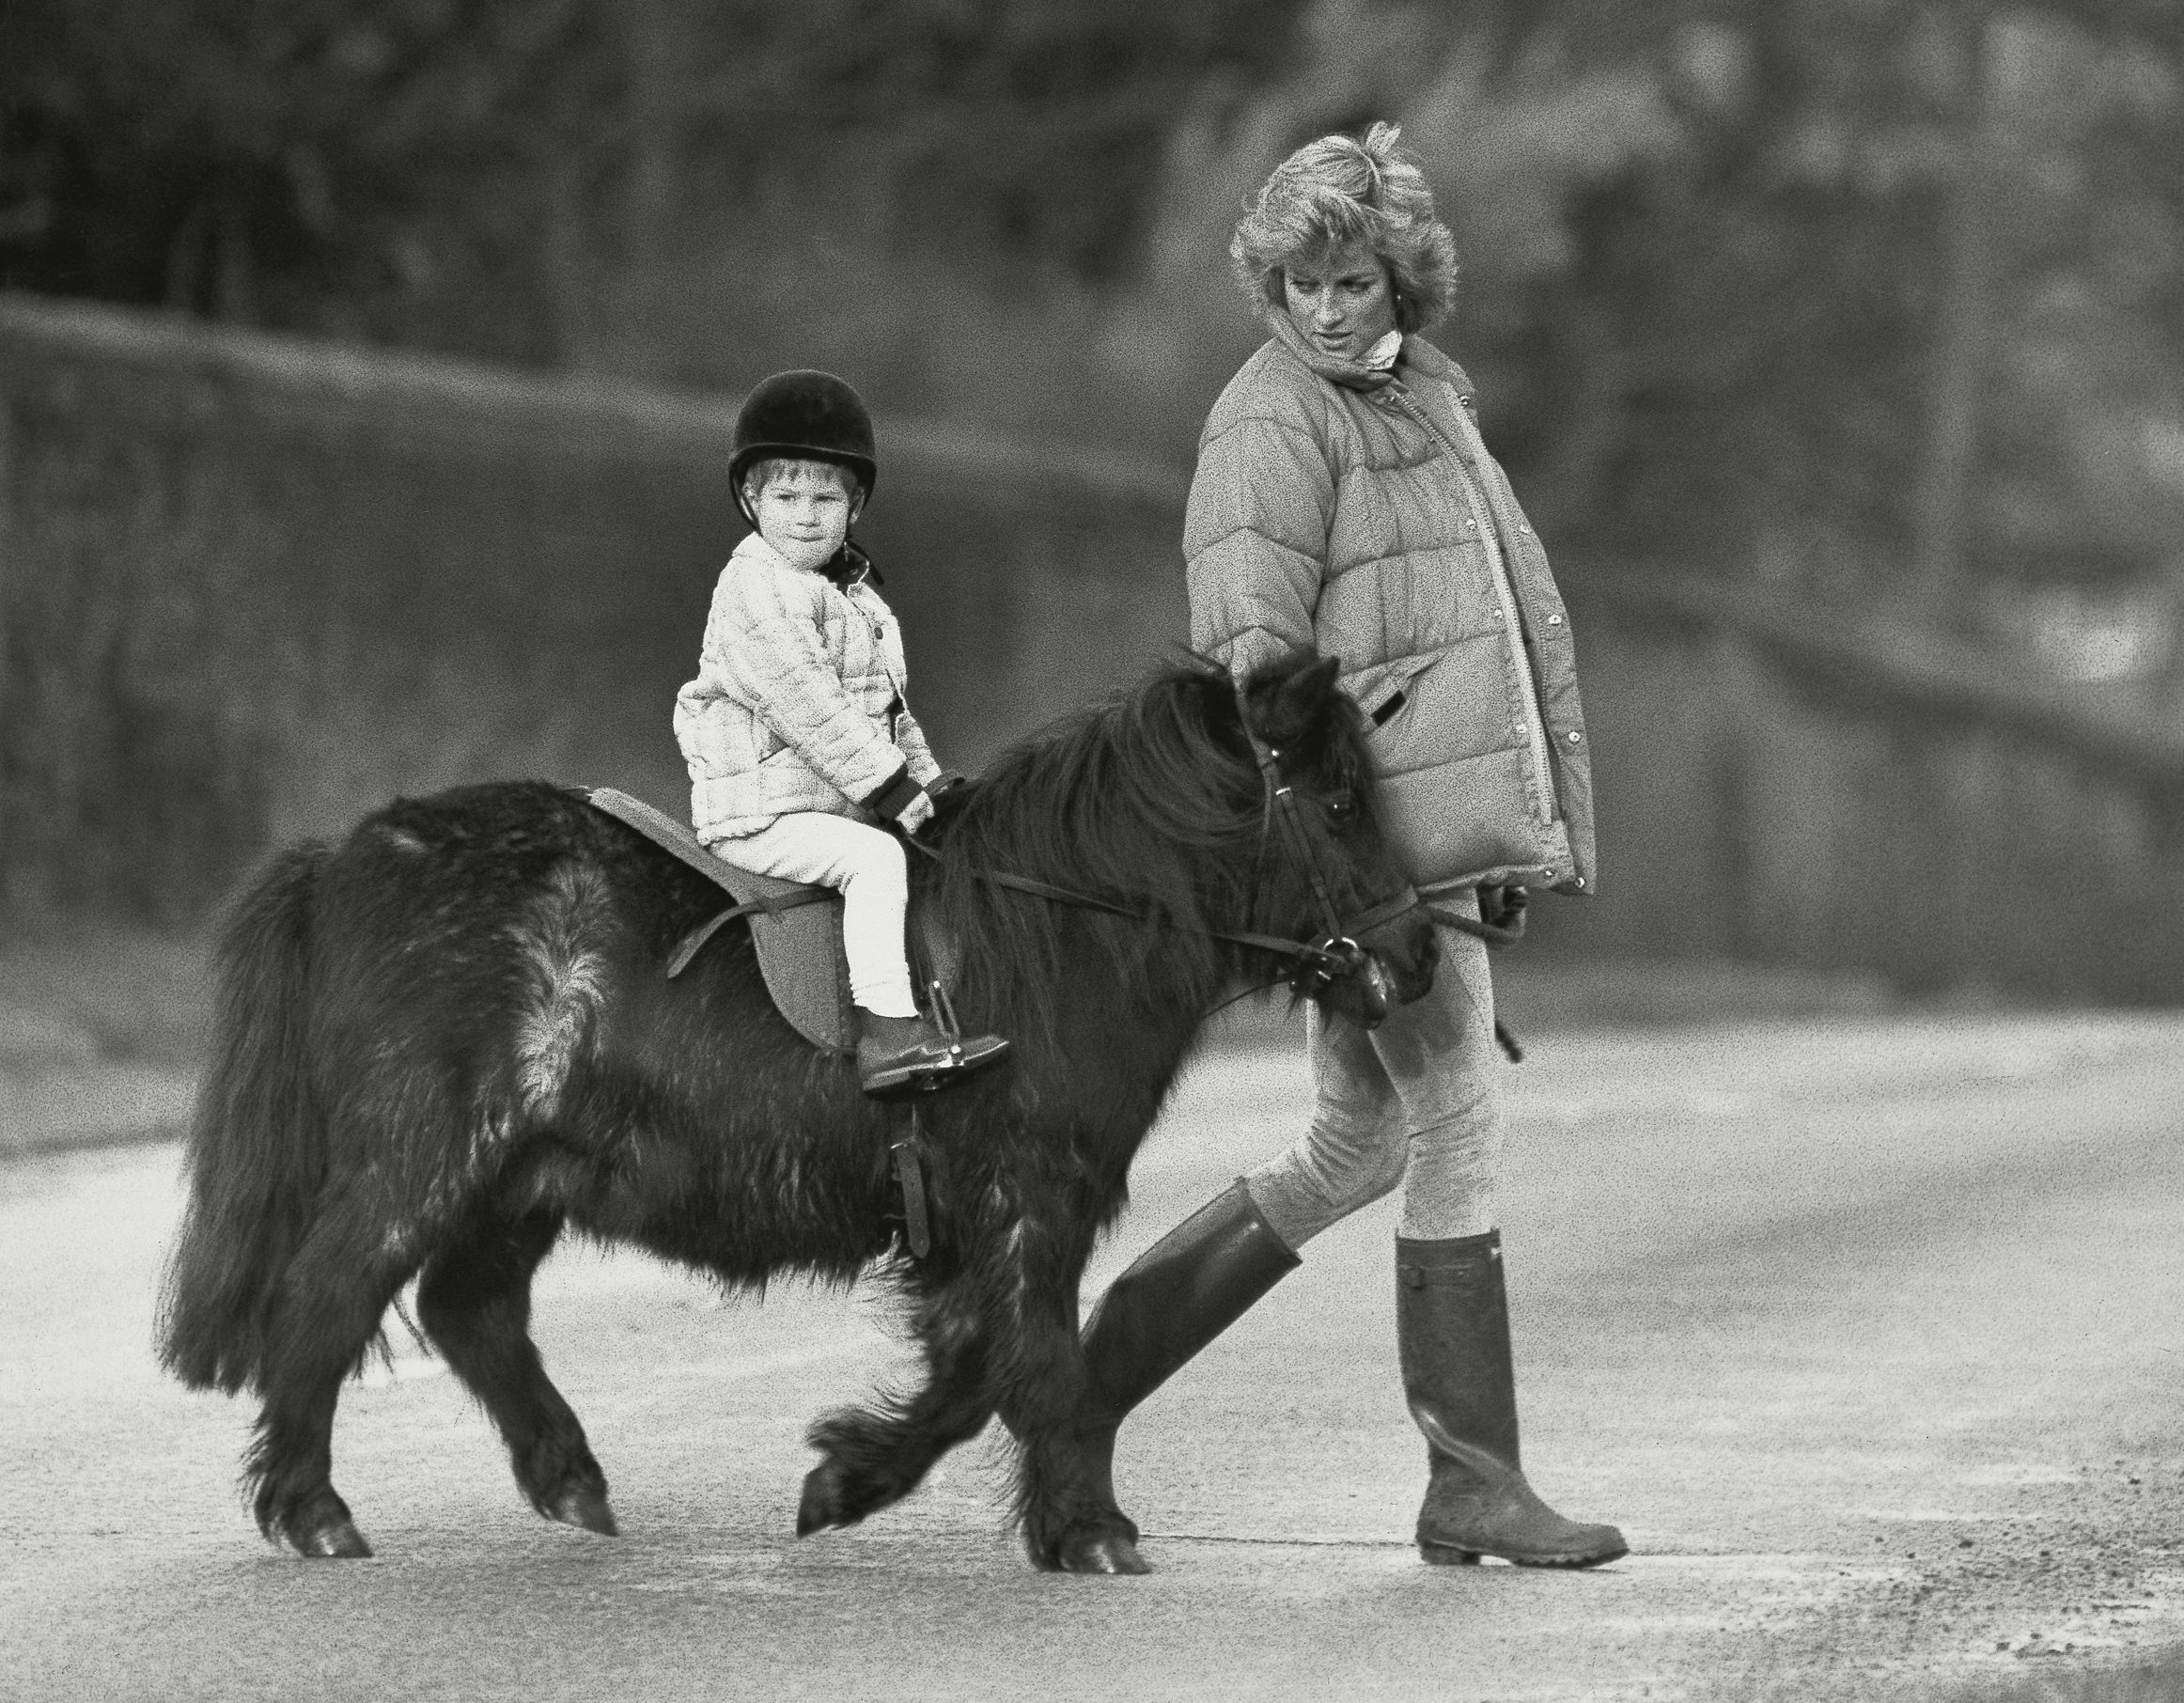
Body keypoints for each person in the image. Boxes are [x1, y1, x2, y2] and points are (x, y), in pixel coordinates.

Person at [1073, 124, 1624, 1567]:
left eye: (1354, 280)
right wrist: (1346, 865)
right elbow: (1256, 661)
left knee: (1357, 1142)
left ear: (1405, 285)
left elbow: (1488, 635)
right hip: (1364, 863)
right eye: (1301, 281)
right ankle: (1473, 1485)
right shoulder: (1270, 422)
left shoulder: (1434, 399)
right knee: (1451, 1131)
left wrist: (1504, 826)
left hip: (1430, 843)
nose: (1325, 309)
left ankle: (1074, 1390)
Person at [674, 369, 1008, 1096]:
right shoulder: (753, 588)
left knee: (923, 857)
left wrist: (929, 784)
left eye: (825, 498)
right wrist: (887, 788)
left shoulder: (854, 598)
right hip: (758, 812)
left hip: (816, 801)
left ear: (854, 507)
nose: (804, 516)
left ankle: (944, 1007)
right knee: (875, 862)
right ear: (750, 502)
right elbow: (807, 703)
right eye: (784, 497)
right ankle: (889, 1036)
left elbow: (888, 713)